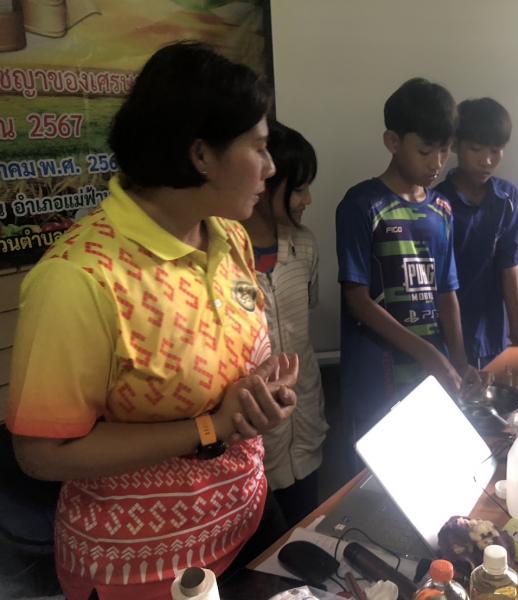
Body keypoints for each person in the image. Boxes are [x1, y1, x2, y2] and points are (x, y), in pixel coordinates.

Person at [6, 41, 298, 600]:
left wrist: (262, 398)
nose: (271, 167)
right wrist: (209, 428)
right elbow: (41, 455)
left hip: (248, 520)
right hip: (144, 569)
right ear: (201, 155)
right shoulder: (80, 277)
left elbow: (236, 371)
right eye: (259, 148)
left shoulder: (228, 235)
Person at [336, 77, 474, 439]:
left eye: (445, 151)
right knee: (377, 464)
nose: (437, 163)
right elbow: (357, 300)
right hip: (377, 377)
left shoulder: (442, 208)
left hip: (429, 376)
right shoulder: (362, 205)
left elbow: (446, 292)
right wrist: (428, 353)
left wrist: (459, 362)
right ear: (393, 142)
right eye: (426, 151)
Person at [242, 121, 328, 527]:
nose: (307, 199)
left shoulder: (304, 245)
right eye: (298, 189)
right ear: (263, 180)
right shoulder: (221, 255)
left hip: (305, 422)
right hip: (253, 436)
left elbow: (304, 314)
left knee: (307, 527)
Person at [435, 98, 518, 369]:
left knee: (495, 392)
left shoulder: (507, 197)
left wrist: (517, 328)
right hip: (444, 333)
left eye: (495, 150)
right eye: (475, 149)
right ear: (456, 145)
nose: (486, 161)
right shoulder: (436, 202)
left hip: (492, 332)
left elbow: (510, 263)